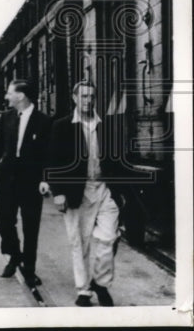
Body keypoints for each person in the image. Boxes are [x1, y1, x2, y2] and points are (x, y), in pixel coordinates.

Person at [40, 80, 124, 307]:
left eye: (91, 97)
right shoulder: (62, 126)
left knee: (108, 237)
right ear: (75, 98)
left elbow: (115, 161)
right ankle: (84, 291)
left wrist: (122, 191)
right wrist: (57, 192)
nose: (88, 101)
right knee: (80, 242)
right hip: (77, 191)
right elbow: (53, 161)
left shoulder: (104, 125)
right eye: (83, 96)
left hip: (103, 188)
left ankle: (101, 282)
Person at [0, 80, 51, 287]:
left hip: (31, 181)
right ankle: (14, 254)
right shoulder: (7, 118)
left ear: (21, 96)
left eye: (10, 93)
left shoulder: (43, 121)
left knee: (30, 226)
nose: (7, 97)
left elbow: (48, 154)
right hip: (7, 178)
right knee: (5, 220)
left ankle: (29, 269)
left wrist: (46, 178)